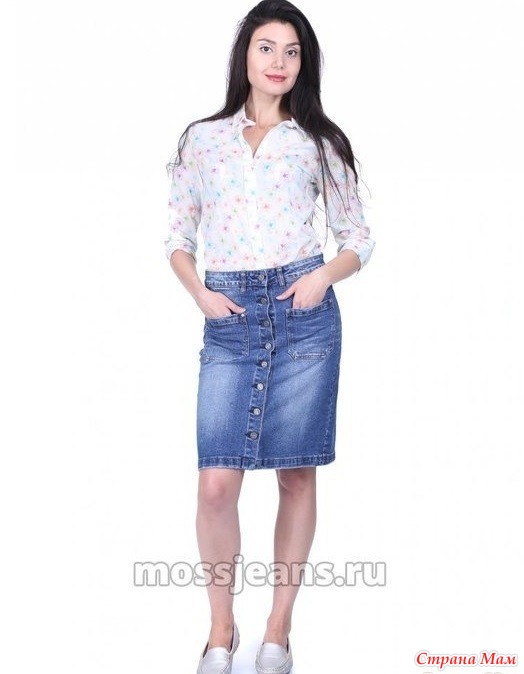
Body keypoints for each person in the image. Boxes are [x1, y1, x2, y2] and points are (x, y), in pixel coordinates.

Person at [164, 1, 375, 672]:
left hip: (303, 311)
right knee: (215, 484)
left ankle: (279, 629)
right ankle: (220, 630)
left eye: (292, 51)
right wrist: (201, 294)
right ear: (245, 56)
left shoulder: (319, 141)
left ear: (303, 63)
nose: (279, 62)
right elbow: (177, 235)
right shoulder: (202, 140)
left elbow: (358, 237)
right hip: (229, 317)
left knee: (296, 475)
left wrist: (323, 277)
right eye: (266, 47)